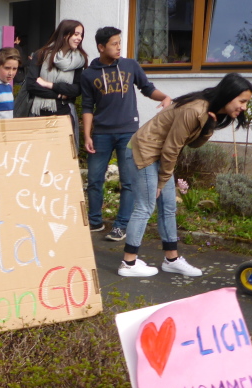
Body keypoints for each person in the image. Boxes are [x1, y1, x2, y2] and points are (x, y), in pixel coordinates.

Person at [118, 73, 252, 278]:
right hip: (144, 151)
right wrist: (162, 181)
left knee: (168, 207)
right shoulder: (194, 109)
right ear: (229, 95)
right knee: (145, 206)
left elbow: (192, 144)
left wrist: (209, 129)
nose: (244, 107)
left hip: (158, 154)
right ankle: (128, 263)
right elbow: (172, 147)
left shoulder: (208, 111)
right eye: (242, 101)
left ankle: (171, 260)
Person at [81, 26, 172, 241]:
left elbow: (147, 88)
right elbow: (87, 106)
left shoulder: (130, 65)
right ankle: (94, 221)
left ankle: (121, 226)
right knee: (94, 180)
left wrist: (164, 97)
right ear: (101, 47)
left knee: (128, 182)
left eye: (119, 42)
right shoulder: (88, 74)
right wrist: (87, 135)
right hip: (101, 134)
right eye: (114, 44)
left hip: (129, 132)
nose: (119, 47)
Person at [26, 19, 87, 147]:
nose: (79, 38)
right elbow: (31, 85)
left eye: (81, 35)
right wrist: (59, 95)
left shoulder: (79, 59)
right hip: (39, 113)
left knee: (64, 152)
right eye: (76, 34)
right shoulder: (41, 55)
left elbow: (76, 90)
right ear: (64, 34)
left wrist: (50, 85)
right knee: (39, 152)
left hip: (64, 113)